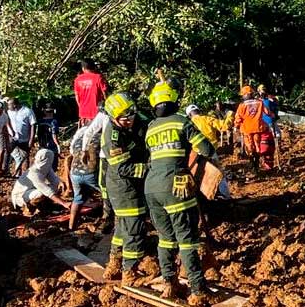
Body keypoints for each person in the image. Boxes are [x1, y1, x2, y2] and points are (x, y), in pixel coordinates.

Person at [144, 78, 215, 306]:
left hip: (151, 188)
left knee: (165, 239)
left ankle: (169, 283)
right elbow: (206, 148)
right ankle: (198, 289)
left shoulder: (151, 127)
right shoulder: (181, 122)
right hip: (175, 186)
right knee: (187, 239)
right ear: (174, 101)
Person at [100, 92, 150, 283]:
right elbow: (123, 168)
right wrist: (150, 169)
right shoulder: (112, 137)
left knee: (122, 227)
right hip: (123, 187)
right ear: (114, 118)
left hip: (129, 185)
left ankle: (113, 264)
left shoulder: (134, 121)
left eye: (132, 113)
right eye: (125, 117)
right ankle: (130, 270)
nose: (131, 119)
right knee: (134, 228)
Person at [68, 108, 107, 231]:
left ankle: (71, 226)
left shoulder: (80, 137)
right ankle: (107, 223)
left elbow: (71, 152)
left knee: (78, 198)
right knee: (108, 195)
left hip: (74, 173)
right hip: (90, 173)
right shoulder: (102, 138)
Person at [184, 104, 231, 197]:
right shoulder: (207, 119)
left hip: (195, 155)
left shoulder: (187, 124)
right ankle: (226, 196)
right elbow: (224, 126)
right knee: (218, 175)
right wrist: (230, 115)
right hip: (210, 152)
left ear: (189, 115)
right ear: (199, 111)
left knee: (198, 177)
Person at [11, 148, 70, 216]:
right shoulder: (33, 172)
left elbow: (54, 180)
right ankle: (30, 208)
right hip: (21, 196)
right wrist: (64, 203)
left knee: (54, 187)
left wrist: (61, 183)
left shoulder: (46, 168)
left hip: (32, 191)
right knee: (42, 192)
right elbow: (46, 190)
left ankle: (46, 205)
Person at [234, 86, 270, 168]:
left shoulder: (242, 105)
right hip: (258, 128)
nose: (242, 96)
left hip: (247, 130)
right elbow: (268, 112)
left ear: (247, 95)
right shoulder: (260, 103)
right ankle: (256, 163)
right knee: (257, 145)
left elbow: (238, 117)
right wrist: (273, 116)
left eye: (243, 95)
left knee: (249, 147)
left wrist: (236, 126)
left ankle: (252, 163)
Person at [7, 98, 37, 176]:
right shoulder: (9, 112)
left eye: (9, 105)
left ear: (15, 105)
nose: (8, 107)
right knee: (7, 154)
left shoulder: (27, 111)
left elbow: (33, 125)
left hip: (24, 139)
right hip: (13, 138)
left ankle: (24, 175)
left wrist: (31, 140)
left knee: (25, 157)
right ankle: (6, 172)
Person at [74, 59, 109, 125]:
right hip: (97, 112)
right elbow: (105, 93)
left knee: (85, 133)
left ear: (83, 68)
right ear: (93, 67)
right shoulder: (98, 77)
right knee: (97, 133)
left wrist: (81, 108)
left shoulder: (77, 79)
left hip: (84, 114)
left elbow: (77, 97)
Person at [36, 105, 61, 170]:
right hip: (52, 147)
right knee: (53, 167)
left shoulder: (40, 121)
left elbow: (38, 134)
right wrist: (58, 146)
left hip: (42, 146)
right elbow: (54, 135)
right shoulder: (53, 122)